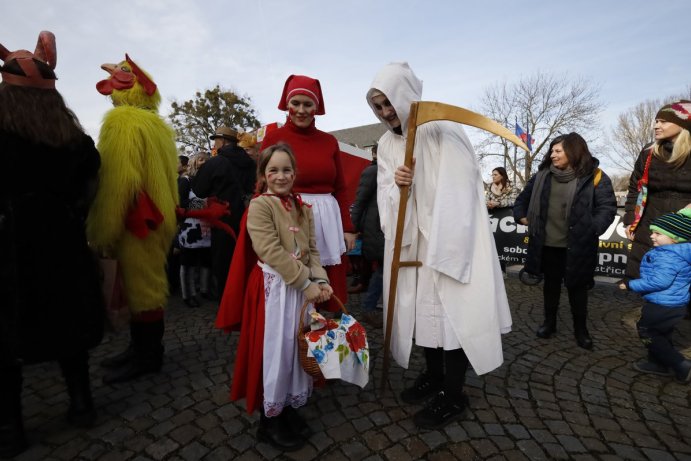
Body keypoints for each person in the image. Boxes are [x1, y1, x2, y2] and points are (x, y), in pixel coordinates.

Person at [367, 62, 512, 429]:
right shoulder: (386, 144)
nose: (386, 113)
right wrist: (400, 187)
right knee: (421, 317)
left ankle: (453, 391)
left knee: (452, 319)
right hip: (411, 246)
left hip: (447, 243)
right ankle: (433, 376)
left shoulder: (444, 129)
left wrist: (441, 242)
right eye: (378, 107)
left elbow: (460, 190)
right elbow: (386, 194)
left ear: (405, 95)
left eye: (389, 103)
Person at [0, 31, 105, 457]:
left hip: (8, 245)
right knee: (69, 323)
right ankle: (81, 404)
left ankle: (11, 429)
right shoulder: (75, 141)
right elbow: (90, 185)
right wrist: (70, 214)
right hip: (62, 241)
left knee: (6, 335)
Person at [216, 144, 332, 451]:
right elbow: (270, 250)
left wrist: (320, 280)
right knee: (276, 352)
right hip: (275, 290)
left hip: (301, 290)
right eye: (274, 170)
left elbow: (313, 250)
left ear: (294, 173)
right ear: (263, 175)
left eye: (286, 170)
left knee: (296, 350)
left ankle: (289, 408)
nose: (281, 176)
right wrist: (305, 282)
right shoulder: (260, 206)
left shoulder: (303, 207)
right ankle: (269, 421)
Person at [88, 54, 179, 384]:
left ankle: (148, 356)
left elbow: (116, 184)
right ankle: (141, 349)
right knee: (149, 284)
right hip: (158, 220)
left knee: (143, 290)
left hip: (136, 222)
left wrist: (102, 230)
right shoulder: (158, 126)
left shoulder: (122, 122)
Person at [260, 75, 357, 311]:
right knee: (295, 284)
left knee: (328, 286)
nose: (301, 110)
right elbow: (263, 184)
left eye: (307, 104)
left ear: (316, 108)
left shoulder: (329, 141)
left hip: (328, 221)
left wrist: (348, 228)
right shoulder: (273, 139)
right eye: (296, 103)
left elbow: (341, 188)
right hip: (288, 217)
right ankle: (295, 340)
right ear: (287, 105)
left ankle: (324, 340)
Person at [513, 133, 617, 350]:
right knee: (550, 286)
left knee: (577, 289)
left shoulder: (595, 176)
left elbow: (606, 208)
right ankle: (549, 323)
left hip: (577, 246)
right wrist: (521, 215)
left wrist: (591, 229)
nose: (553, 155)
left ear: (573, 151)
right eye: (551, 151)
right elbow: (522, 200)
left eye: (558, 151)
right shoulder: (542, 175)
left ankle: (581, 330)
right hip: (546, 245)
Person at [623, 100, 691, 281]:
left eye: (663, 121)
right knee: (651, 285)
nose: (656, 125)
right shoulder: (648, 153)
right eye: (656, 121)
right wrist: (631, 218)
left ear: (683, 123)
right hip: (650, 228)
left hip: (685, 231)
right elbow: (635, 187)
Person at [626, 209, 691, 383]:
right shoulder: (675, 251)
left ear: (675, 238)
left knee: (647, 331)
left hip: (663, 304)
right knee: (662, 333)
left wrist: (630, 285)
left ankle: (681, 364)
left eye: (658, 233)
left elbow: (660, 282)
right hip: (673, 304)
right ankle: (657, 364)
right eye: (652, 232)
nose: (652, 236)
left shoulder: (669, 256)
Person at [193, 126, 255, 296]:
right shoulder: (250, 163)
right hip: (249, 216)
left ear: (222, 141)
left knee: (223, 263)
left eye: (216, 140)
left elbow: (199, 190)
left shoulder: (215, 162)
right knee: (246, 259)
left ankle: (226, 305)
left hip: (224, 219)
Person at [350, 144, 385, 328]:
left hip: (383, 228)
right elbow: (360, 201)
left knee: (383, 269)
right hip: (376, 229)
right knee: (383, 270)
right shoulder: (373, 171)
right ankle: (368, 307)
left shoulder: (388, 169)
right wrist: (352, 229)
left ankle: (374, 306)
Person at [177, 152, 212, 307]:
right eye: (200, 159)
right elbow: (181, 203)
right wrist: (205, 206)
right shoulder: (185, 181)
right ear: (193, 162)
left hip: (205, 227)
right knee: (188, 261)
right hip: (189, 227)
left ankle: (204, 290)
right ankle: (188, 294)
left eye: (206, 160)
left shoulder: (209, 181)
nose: (203, 162)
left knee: (205, 259)